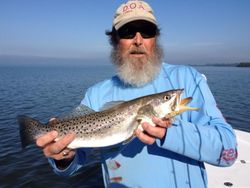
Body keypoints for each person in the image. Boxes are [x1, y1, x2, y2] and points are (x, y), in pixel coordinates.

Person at [36, 1, 237, 187]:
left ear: (155, 39)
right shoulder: (96, 94)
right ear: (115, 40)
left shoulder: (188, 79)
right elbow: (71, 164)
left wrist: (170, 132)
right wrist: (63, 157)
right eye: (128, 32)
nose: (138, 40)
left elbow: (228, 152)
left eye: (147, 31)